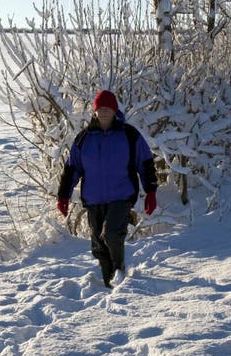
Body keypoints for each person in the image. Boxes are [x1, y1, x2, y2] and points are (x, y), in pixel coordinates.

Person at [56, 89, 158, 288]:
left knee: (111, 233)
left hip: (122, 195)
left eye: (107, 108)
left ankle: (119, 271)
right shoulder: (84, 138)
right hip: (94, 199)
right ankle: (109, 282)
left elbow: (145, 162)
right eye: (100, 108)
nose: (103, 112)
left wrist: (151, 191)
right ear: (94, 111)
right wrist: (63, 196)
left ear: (114, 111)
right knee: (99, 245)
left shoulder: (129, 135)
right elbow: (72, 168)